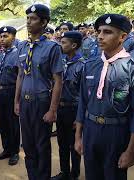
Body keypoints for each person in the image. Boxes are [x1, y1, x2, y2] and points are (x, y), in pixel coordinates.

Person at [75, 14, 134, 180]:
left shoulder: (131, 68)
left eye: (107, 32)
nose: (100, 36)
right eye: (99, 31)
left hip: (116, 133)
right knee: (92, 175)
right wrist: (78, 137)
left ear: (123, 36)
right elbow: (83, 102)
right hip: (91, 130)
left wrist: (131, 150)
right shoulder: (90, 65)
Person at [14, 4, 64, 180]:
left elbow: (58, 80)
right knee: (28, 145)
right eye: (27, 18)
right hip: (25, 102)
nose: (28, 22)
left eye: (33, 18)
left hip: (42, 102)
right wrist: (17, 101)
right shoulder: (22, 47)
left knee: (42, 145)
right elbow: (20, 75)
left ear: (44, 22)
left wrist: (52, 110)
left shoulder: (52, 48)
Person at [51, 31, 84, 180]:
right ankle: (64, 172)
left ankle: (74, 173)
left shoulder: (83, 65)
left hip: (74, 109)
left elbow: (84, 95)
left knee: (73, 144)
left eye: (64, 42)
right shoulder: (61, 62)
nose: (60, 45)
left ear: (74, 45)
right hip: (61, 108)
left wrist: (80, 118)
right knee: (62, 143)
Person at [0, 26, 20, 166]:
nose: (2, 39)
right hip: (1, 92)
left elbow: (19, 78)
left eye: (5, 36)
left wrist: (17, 100)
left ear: (13, 37)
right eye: (1, 36)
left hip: (12, 91)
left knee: (13, 124)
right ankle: (6, 149)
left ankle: (14, 152)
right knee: (3, 122)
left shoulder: (17, 54)